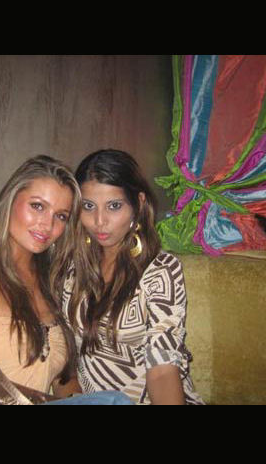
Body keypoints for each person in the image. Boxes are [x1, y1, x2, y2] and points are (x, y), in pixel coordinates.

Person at [0, 155, 134, 405]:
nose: (47, 224)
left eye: (61, 216)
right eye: (38, 206)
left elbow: (63, 381)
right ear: (10, 199)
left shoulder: (53, 282)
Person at [63, 149, 205, 405]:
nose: (99, 221)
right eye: (88, 206)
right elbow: (64, 350)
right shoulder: (72, 267)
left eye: (114, 206)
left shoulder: (160, 270)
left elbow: (162, 370)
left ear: (138, 204)